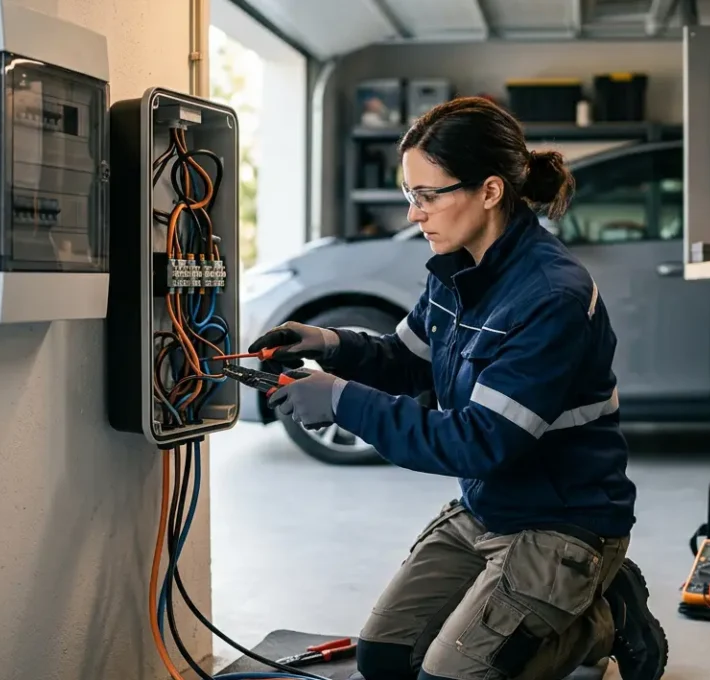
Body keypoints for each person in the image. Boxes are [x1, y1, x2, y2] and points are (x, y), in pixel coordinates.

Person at [248, 97, 668, 680]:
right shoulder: (458, 269)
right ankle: (546, 609)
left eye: (427, 195)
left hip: (562, 520)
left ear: (490, 192)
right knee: (385, 660)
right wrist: (327, 343)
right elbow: (407, 360)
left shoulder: (550, 296)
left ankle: (600, 615)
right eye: (409, 196)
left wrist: (342, 400)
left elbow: (480, 442)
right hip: (487, 507)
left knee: (449, 679)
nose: (415, 214)